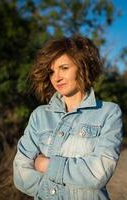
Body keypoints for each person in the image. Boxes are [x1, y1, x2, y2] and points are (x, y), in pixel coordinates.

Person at [13, 35, 123, 200]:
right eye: (51, 72)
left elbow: (98, 173)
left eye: (64, 68)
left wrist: (46, 165)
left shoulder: (109, 113)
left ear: (82, 67)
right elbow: (21, 174)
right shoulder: (40, 115)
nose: (56, 78)